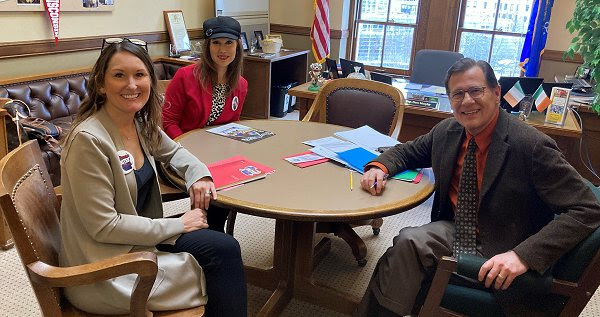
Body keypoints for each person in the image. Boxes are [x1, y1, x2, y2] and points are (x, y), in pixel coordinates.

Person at [355, 58, 600, 316]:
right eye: (458, 94)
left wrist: (523, 256)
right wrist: (378, 168)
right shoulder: (448, 131)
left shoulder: (531, 146)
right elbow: (407, 151)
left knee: (401, 254)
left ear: (496, 93)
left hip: (507, 245)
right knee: (404, 245)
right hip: (458, 229)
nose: (467, 101)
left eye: (476, 90)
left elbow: (588, 208)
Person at [58, 38, 247, 316]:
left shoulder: (138, 123)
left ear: (150, 80)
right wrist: (179, 223)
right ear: (101, 84)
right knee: (217, 261)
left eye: (140, 75)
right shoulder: (89, 141)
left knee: (224, 248)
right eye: (119, 75)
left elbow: (176, 153)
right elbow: (104, 227)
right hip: (105, 265)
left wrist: (200, 176)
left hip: (135, 237)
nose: (132, 85)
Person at [162, 15, 247, 139]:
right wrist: (185, 150)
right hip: (184, 148)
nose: (222, 49)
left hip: (219, 148)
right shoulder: (185, 76)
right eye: (216, 42)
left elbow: (233, 124)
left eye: (229, 42)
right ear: (208, 46)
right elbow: (168, 122)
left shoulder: (241, 84)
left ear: (237, 46)